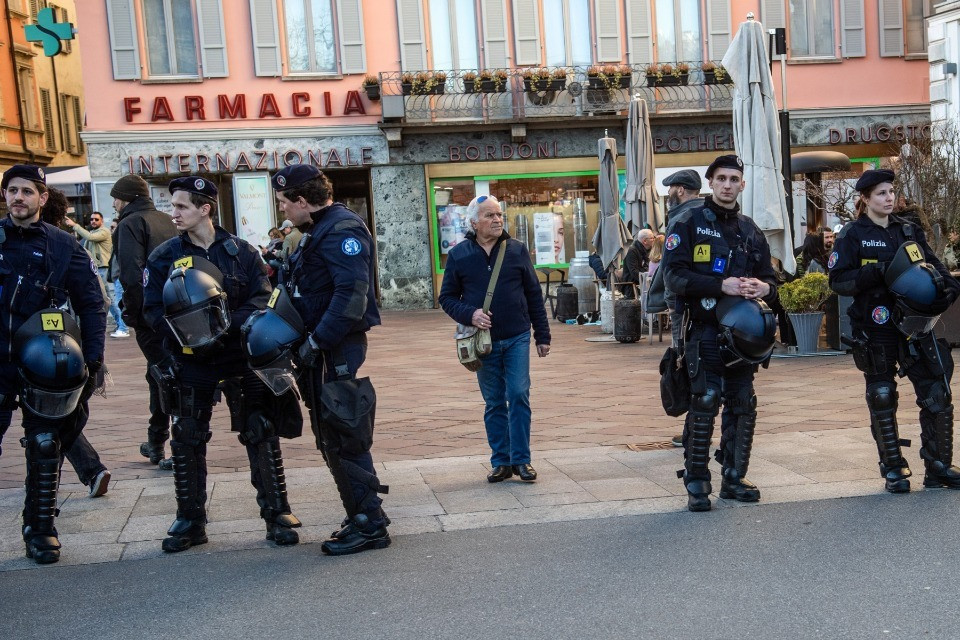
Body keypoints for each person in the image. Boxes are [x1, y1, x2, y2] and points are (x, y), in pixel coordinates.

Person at [143, 176, 303, 552]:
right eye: (173, 206)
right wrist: (182, 337)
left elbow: (261, 299)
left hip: (238, 355)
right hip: (191, 361)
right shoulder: (164, 256)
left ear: (205, 209)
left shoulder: (241, 252)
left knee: (260, 429)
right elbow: (149, 309)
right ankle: (190, 520)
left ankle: (277, 513)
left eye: (181, 206)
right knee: (186, 437)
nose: (174, 213)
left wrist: (223, 326)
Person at [272, 164, 390, 556]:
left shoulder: (341, 230)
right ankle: (361, 512)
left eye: (285, 204)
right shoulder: (317, 231)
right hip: (323, 348)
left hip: (334, 348)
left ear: (303, 201)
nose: (283, 211)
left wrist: (317, 342)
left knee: (344, 435)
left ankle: (369, 523)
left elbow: (351, 297)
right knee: (331, 436)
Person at [828, 169, 960, 493]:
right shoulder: (852, 235)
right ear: (865, 199)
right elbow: (838, 280)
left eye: (890, 192)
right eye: (880, 194)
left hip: (916, 326)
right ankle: (894, 469)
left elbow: (937, 268)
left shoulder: (909, 230)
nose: (888, 198)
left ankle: (939, 466)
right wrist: (875, 273)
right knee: (882, 395)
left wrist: (948, 289)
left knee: (937, 391)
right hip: (876, 327)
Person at [661, 154, 779, 512]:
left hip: (743, 337)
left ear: (742, 185)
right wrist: (719, 285)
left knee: (743, 405)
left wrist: (764, 287)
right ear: (710, 183)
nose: (728, 185)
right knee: (705, 402)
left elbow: (772, 279)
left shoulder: (750, 229)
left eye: (734, 179)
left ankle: (733, 476)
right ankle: (697, 481)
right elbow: (674, 277)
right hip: (704, 331)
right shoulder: (689, 221)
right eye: (721, 178)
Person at [0, 164, 106, 563]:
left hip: (44, 364)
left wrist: (93, 360)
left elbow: (92, 305)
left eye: (27, 191)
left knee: (46, 444)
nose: (18, 198)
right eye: (12, 191)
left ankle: (40, 527)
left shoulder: (64, 246)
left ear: (43, 197)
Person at [439, 194, 551, 484]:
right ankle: (501, 461)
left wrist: (542, 334)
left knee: (517, 394)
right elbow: (447, 298)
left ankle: (522, 460)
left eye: (499, 215)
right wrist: (470, 314)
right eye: (490, 215)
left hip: (516, 336)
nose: (497, 220)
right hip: (482, 341)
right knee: (493, 402)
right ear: (474, 222)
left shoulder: (516, 250)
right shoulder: (459, 255)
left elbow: (533, 295)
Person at [112, 174, 177, 466]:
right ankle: (155, 440)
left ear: (123, 199)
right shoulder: (166, 219)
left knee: (164, 375)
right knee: (161, 373)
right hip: (177, 309)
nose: (114, 204)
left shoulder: (129, 223)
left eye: (115, 198)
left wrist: (137, 315)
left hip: (151, 313)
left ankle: (172, 445)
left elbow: (131, 273)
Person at [648, 169, 704, 447]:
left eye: (670, 189)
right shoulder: (710, 214)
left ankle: (692, 433)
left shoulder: (680, 218)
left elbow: (671, 272)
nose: (669, 194)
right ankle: (698, 430)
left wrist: (672, 307)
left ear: (680, 190)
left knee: (686, 364)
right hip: (711, 305)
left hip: (685, 308)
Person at [105, 219, 129, 336]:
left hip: (120, 277)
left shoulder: (123, 243)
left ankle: (123, 329)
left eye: (114, 227)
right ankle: (121, 326)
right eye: (111, 227)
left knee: (120, 303)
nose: (112, 229)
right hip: (116, 277)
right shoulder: (116, 243)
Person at [620, 228, 654, 298]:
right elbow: (634, 272)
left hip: (644, 283)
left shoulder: (649, 250)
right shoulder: (632, 251)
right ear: (645, 241)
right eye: (652, 238)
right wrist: (648, 279)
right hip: (632, 286)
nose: (654, 240)